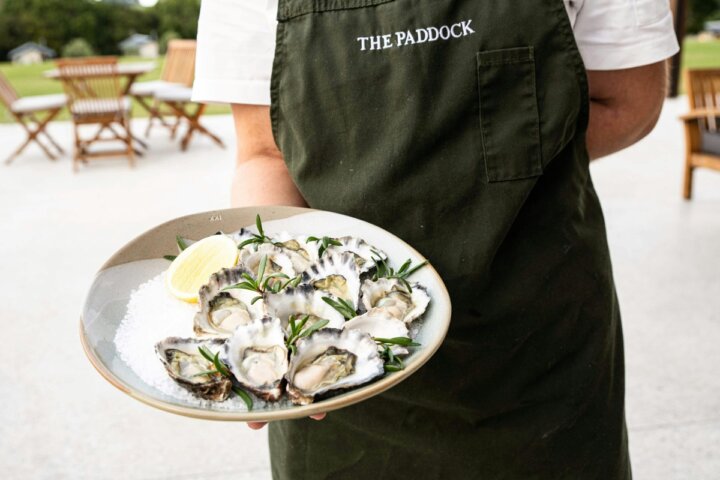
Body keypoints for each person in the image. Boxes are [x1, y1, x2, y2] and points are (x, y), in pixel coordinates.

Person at [193, 1, 679, 478]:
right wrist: (273, 316)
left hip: (538, 345)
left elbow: (628, 103)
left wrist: (492, 161)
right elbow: (264, 155)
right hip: (338, 378)